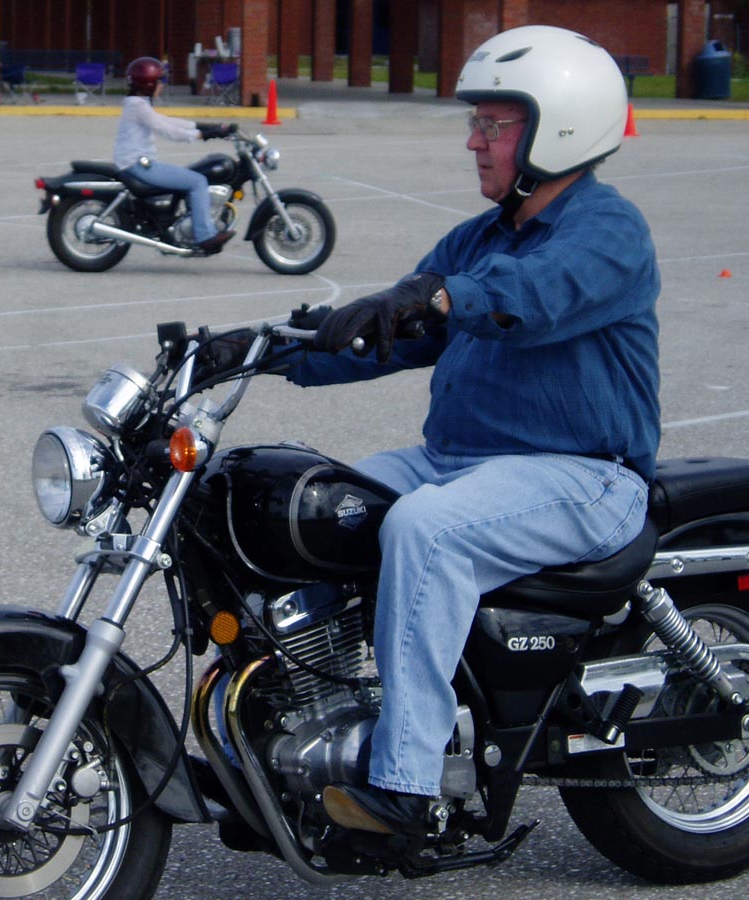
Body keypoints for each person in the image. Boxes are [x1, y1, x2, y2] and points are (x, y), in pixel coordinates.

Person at [285, 25, 661, 835]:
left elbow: (533, 295)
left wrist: (439, 295)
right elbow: (392, 330)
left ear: (560, 128)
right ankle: (304, 731)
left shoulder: (608, 232)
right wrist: (266, 349)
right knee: (310, 507)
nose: (474, 142)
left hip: (583, 475)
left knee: (424, 530)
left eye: (493, 124)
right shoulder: (480, 239)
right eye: (476, 124)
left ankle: (408, 784)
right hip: (458, 462)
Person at [115, 56, 235, 255]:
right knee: (198, 181)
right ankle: (205, 237)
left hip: (138, 164)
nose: (162, 85)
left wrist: (204, 126)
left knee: (190, 178)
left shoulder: (137, 103)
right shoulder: (138, 107)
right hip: (138, 166)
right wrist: (202, 135)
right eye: (160, 81)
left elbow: (167, 121)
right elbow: (168, 131)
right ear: (148, 83)